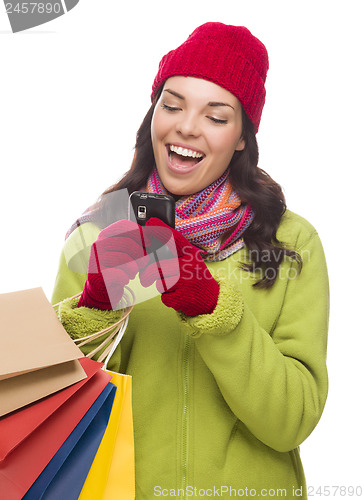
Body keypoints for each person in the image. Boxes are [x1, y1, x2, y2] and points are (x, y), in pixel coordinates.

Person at [52, 22, 329, 499]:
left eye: (216, 116)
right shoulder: (98, 231)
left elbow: (292, 421)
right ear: (153, 114)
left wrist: (214, 311)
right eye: (172, 105)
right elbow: (52, 414)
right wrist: (95, 309)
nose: (186, 126)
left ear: (243, 137)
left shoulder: (291, 242)